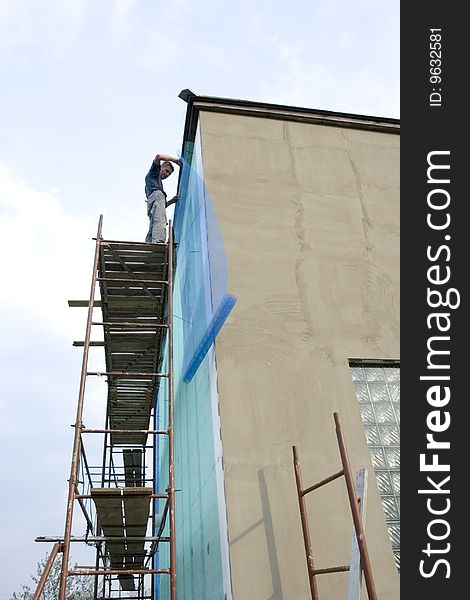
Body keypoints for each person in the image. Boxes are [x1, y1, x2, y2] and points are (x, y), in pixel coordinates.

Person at [144, 153, 182, 243]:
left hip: (153, 199)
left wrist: (171, 201)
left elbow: (159, 206)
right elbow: (158, 156)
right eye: (166, 170)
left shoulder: (154, 182)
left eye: (169, 174)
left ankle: (149, 242)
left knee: (153, 223)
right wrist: (175, 160)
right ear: (160, 167)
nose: (167, 174)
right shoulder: (153, 173)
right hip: (157, 196)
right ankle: (158, 241)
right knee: (160, 220)